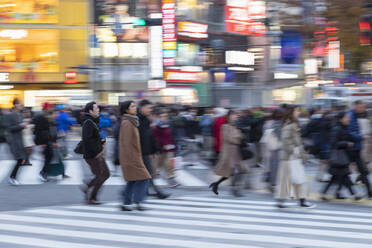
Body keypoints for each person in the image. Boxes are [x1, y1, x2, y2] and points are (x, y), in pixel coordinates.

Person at [276, 105, 315, 208]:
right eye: (297, 111)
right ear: (291, 113)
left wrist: (302, 155)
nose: (298, 113)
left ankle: (300, 200)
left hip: (293, 157)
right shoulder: (289, 125)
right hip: (289, 158)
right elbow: (286, 141)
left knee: (297, 179)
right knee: (291, 180)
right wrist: (294, 151)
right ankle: (294, 200)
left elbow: (297, 142)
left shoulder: (293, 124)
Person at [321, 112, 362, 201]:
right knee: (342, 176)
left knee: (341, 176)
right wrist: (346, 143)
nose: (348, 119)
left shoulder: (342, 128)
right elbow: (334, 143)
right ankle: (354, 194)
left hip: (341, 157)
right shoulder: (337, 129)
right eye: (346, 117)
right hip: (338, 157)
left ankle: (329, 193)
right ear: (341, 119)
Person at [119, 101, 152, 211]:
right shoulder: (128, 123)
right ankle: (138, 201)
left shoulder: (131, 121)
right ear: (126, 110)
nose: (135, 108)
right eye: (132, 106)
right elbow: (127, 143)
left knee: (132, 180)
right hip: (132, 158)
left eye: (134, 106)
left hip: (133, 156)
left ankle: (126, 203)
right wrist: (133, 159)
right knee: (145, 178)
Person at [137, 99, 169, 199]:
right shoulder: (136, 120)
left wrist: (154, 150)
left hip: (145, 151)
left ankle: (147, 191)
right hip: (138, 152)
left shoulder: (145, 120)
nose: (150, 110)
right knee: (146, 173)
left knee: (148, 173)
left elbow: (150, 136)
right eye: (149, 108)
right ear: (142, 107)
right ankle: (156, 192)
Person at [209, 110, 245, 197]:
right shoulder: (225, 127)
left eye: (236, 116)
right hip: (229, 152)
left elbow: (240, 137)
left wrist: (238, 137)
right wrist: (237, 138)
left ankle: (216, 184)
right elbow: (229, 139)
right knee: (233, 172)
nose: (235, 117)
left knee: (236, 172)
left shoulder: (236, 126)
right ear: (228, 117)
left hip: (236, 152)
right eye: (233, 115)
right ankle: (234, 189)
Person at [80, 101, 110, 205]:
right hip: (92, 155)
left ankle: (88, 187)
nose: (98, 110)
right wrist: (96, 152)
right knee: (101, 175)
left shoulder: (93, 121)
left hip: (96, 153)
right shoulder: (88, 122)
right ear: (90, 111)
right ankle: (92, 197)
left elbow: (93, 138)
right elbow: (87, 140)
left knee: (105, 174)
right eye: (96, 109)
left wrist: (101, 141)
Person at [347, 100, 372, 199]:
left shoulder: (357, 115)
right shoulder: (351, 116)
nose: (363, 109)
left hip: (356, 148)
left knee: (363, 171)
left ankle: (369, 193)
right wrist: (361, 137)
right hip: (350, 148)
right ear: (356, 106)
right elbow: (350, 133)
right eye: (361, 107)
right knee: (342, 172)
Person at [33, 102, 58, 182]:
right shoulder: (41, 117)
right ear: (47, 108)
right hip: (44, 140)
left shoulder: (46, 116)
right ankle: (43, 173)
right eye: (51, 107)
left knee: (49, 156)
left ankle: (44, 172)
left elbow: (49, 130)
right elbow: (39, 130)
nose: (52, 109)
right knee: (49, 155)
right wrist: (42, 143)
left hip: (46, 139)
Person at [152, 110, 178, 187]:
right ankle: (150, 180)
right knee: (156, 165)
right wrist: (161, 146)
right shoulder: (155, 127)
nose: (164, 118)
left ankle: (171, 180)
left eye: (165, 116)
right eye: (162, 116)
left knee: (168, 164)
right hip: (160, 149)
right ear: (158, 118)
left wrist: (174, 145)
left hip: (169, 149)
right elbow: (155, 138)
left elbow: (172, 136)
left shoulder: (169, 126)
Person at [5, 99, 27, 185]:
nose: (21, 106)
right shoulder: (10, 115)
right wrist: (20, 125)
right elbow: (9, 128)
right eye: (20, 104)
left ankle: (13, 177)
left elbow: (20, 127)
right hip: (14, 141)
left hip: (20, 140)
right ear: (15, 105)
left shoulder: (19, 115)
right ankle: (12, 177)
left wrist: (23, 125)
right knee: (19, 159)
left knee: (21, 159)